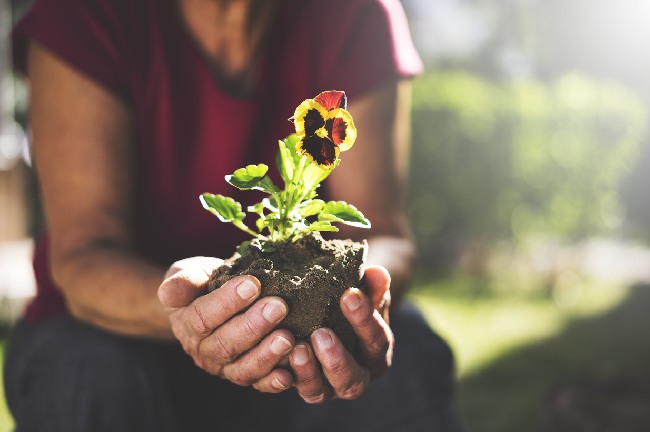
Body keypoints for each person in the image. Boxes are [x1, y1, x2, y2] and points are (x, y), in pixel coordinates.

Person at [4, 0, 463, 430]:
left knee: (409, 358)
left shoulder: (351, 12)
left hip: (300, 350)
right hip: (115, 330)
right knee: (88, 375)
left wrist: (358, 300)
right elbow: (83, 256)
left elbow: (380, 232)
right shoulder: (86, 12)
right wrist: (197, 311)